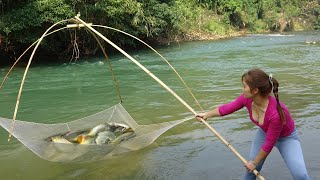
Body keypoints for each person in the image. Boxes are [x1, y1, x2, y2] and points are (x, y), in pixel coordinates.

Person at [196, 68, 310, 180]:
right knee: (251, 170)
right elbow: (227, 108)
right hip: (264, 133)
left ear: (255, 90)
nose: (242, 89)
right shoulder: (247, 99)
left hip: (286, 138)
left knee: (301, 175)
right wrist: (206, 114)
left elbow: (269, 144)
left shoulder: (276, 114)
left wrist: (255, 162)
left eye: (244, 86)